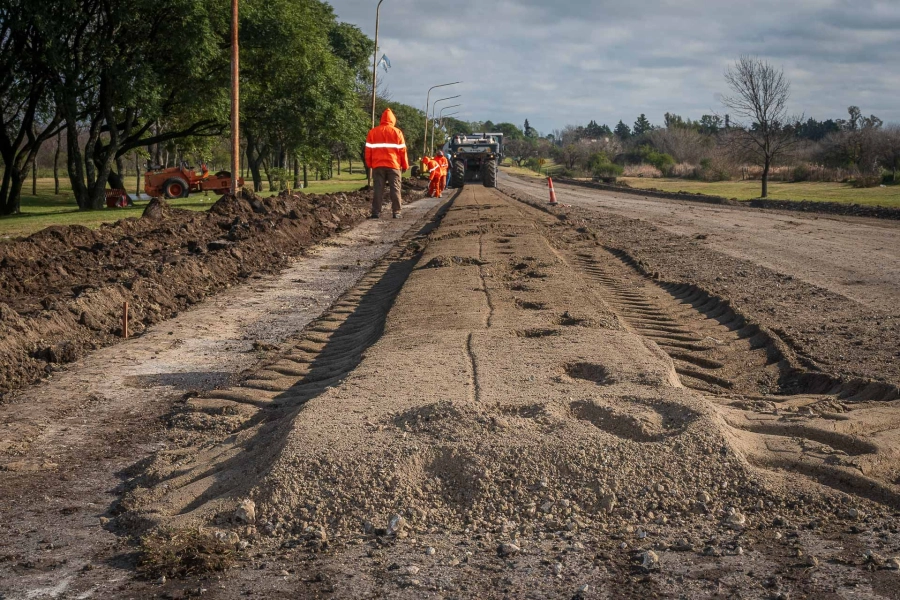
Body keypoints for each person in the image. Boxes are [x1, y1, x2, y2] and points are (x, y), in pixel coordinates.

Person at [365, 108, 409, 218]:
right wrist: (405, 165)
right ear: (393, 119)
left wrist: (369, 163)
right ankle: (396, 212)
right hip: (393, 165)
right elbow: (402, 151)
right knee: (395, 188)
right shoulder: (397, 132)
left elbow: (368, 150)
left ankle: (376, 212)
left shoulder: (373, 132)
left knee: (378, 189)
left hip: (378, 166)